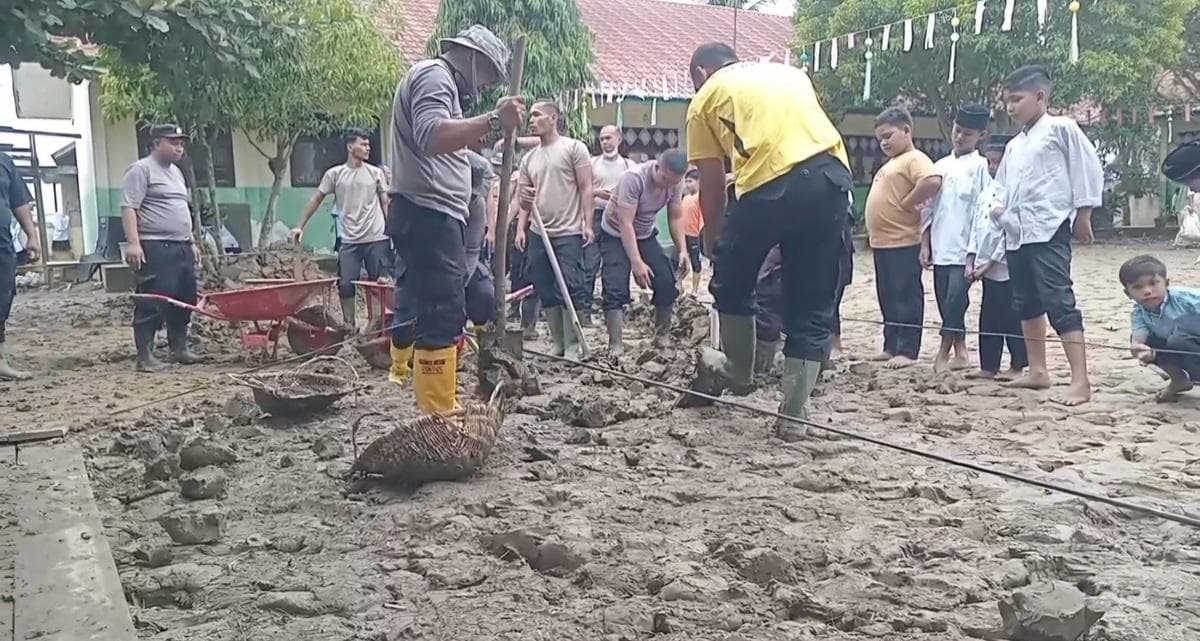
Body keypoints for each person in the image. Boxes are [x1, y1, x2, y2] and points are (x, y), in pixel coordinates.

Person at [677, 42, 854, 442]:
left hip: (768, 183)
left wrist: (712, 237)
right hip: (831, 181)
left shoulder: (704, 99)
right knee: (812, 304)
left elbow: (711, 181)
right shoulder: (790, 73)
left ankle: (740, 370)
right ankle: (794, 416)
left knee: (732, 281)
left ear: (701, 73)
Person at [388, 24, 524, 414]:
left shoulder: (445, 85)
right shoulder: (435, 76)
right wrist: (493, 121)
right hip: (427, 214)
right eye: (488, 76)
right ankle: (438, 414)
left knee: (436, 307)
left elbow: (449, 146)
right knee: (441, 313)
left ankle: (438, 406)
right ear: (471, 58)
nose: (485, 87)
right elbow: (431, 136)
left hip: (433, 214)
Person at [993, 65, 1102, 406]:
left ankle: (1080, 380)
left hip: (1050, 226)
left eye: (1016, 99)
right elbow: (1002, 187)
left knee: (1058, 299)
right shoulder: (1013, 145)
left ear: (1040, 96)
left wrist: (1083, 212)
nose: (1010, 107)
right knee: (1025, 301)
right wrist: (998, 213)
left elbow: (1086, 167)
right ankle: (1037, 370)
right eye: (1006, 101)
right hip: (1017, 231)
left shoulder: (1061, 128)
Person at [390, 149, 497, 386]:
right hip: (418, 260)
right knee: (406, 317)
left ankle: (481, 354)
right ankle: (399, 367)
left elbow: (471, 250)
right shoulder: (427, 199)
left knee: (483, 296)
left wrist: (458, 283)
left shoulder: (475, 206)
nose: (469, 195)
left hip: (458, 265)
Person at [121, 125, 205, 372]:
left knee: (184, 299)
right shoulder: (141, 170)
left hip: (181, 246)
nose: (180, 147)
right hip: (155, 246)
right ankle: (145, 356)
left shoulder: (177, 173)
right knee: (153, 298)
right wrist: (134, 243)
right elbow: (129, 208)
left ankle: (179, 348)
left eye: (181, 143)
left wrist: (191, 241)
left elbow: (181, 210)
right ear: (157, 143)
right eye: (173, 142)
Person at [514, 100, 593, 361]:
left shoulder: (573, 149)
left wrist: (587, 222)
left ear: (553, 117)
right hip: (539, 231)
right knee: (543, 285)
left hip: (569, 229)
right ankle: (557, 342)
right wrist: (521, 228)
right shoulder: (529, 159)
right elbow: (524, 196)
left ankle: (573, 344)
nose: (532, 120)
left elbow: (586, 187)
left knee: (570, 285)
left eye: (537, 115)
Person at [866, 106, 943, 369]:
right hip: (882, 242)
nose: (884, 142)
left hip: (902, 241)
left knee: (905, 295)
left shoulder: (914, 158)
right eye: (880, 139)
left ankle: (908, 349)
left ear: (907, 130)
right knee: (886, 295)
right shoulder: (891, 164)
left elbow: (932, 181)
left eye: (888, 135)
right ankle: (891, 345)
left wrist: (909, 202)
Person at [291, 128, 391, 329]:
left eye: (368, 144)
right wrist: (299, 226)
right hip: (350, 240)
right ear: (349, 146)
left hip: (376, 237)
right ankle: (349, 326)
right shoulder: (335, 174)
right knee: (345, 284)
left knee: (378, 285)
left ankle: (378, 327)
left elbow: (385, 202)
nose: (367, 147)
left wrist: (392, 230)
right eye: (363, 144)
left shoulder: (375, 173)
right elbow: (316, 199)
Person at [599, 149, 690, 353]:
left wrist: (683, 250)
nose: (668, 185)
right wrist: (637, 262)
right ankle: (615, 343)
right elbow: (625, 223)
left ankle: (662, 335)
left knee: (666, 280)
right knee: (615, 284)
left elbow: (675, 217)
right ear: (657, 167)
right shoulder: (634, 178)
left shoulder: (675, 183)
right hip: (615, 232)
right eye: (665, 179)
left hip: (645, 233)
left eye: (673, 182)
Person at [923, 104, 990, 373]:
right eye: (958, 130)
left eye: (967, 133)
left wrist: (975, 252)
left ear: (981, 136)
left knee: (955, 300)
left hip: (965, 249)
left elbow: (983, 212)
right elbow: (928, 208)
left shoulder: (982, 167)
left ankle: (943, 352)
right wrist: (925, 243)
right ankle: (960, 350)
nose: (960, 137)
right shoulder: (940, 166)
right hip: (941, 245)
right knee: (944, 300)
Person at [965, 134, 1027, 380]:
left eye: (997, 163)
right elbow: (975, 228)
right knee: (988, 317)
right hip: (984, 267)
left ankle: (1017, 365)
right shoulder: (985, 192)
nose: (993, 168)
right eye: (989, 163)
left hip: (1006, 267)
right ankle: (988, 365)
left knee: (1011, 318)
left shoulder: (1015, 192)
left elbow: (1009, 234)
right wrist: (971, 259)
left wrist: (991, 262)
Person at [1121, 255, 1200, 402]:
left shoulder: (1185, 299)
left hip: (1193, 343)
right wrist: (1140, 350)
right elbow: (1137, 342)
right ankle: (1179, 380)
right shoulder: (1139, 312)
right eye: (1137, 287)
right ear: (1127, 293)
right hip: (1183, 349)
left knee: (1178, 339)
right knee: (1147, 341)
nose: (1147, 291)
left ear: (1166, 283)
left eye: (1153, 283)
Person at [584, 125, 635, 324]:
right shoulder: (591, 163)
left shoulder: (629, 166)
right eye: (602, 139)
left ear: (619, 139)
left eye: (609, 138)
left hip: (618, 219)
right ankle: (584, 311)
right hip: (595, 215)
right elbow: (582, 191)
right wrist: (597, 193)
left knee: (618, 265)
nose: (605, 142)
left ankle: (616, 311)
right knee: (589, 263)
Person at [0, 149, 38, 381]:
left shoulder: (4, 161)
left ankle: (0, 362)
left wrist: (31, 235)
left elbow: (19, 202)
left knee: (2, 298)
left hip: (1, 243)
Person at [681, 168, 704, 297]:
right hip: (683, 234)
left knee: (696, 263)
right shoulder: (685, 197)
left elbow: (702, 219)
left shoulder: (700, 198)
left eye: (690, 181)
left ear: (698, 182)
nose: (688, 184)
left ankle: (695, 290)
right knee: (681, 261)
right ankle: (680, 286)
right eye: (686, 181)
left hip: (694, 236)